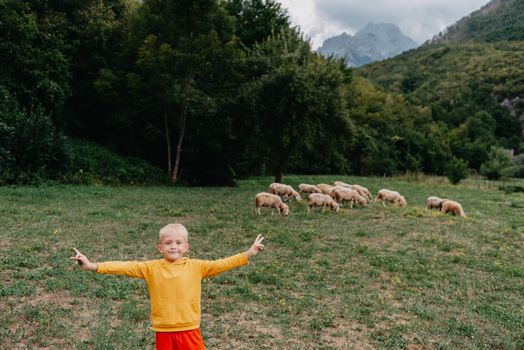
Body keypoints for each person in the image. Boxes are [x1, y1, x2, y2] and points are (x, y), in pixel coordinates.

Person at [71, 223, 265, 350]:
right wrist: (92, 266)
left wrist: (248, 254)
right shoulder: (150, 268)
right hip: (163, 330)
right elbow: (124, 266)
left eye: (178, 242)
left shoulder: (197, 267)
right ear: (160, 247)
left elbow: (221, 263)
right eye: (168, 243)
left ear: (186, 246)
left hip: (189, 329)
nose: (173, 246)